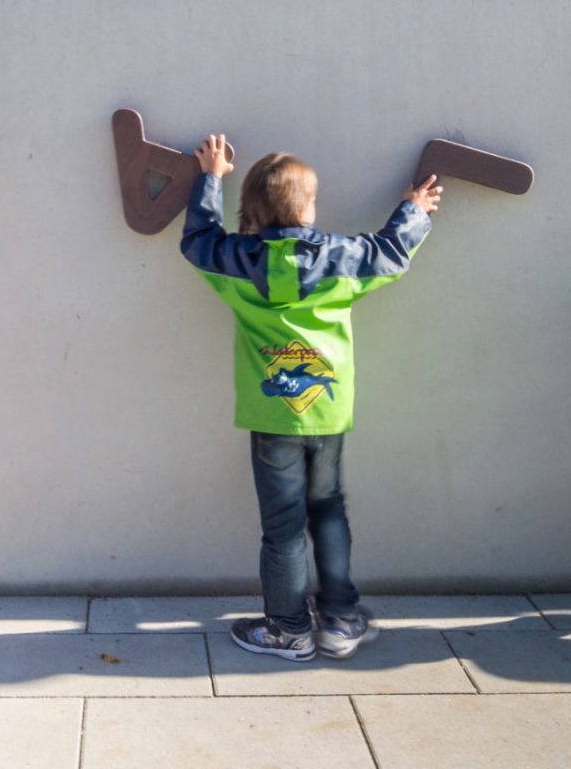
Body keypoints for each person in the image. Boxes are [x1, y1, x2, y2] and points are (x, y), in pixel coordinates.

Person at [181, 134, 440, 662]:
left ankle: (288, 629)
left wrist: (210, 177)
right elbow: (390, 251)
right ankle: (341, 621)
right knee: (328, 513)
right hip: (327, 413)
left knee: (282, 530)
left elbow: (198, 239)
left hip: (273, 416)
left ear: (252, 211)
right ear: (307, 207)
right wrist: (412, 208)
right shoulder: (344, 260)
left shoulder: (235, 262)